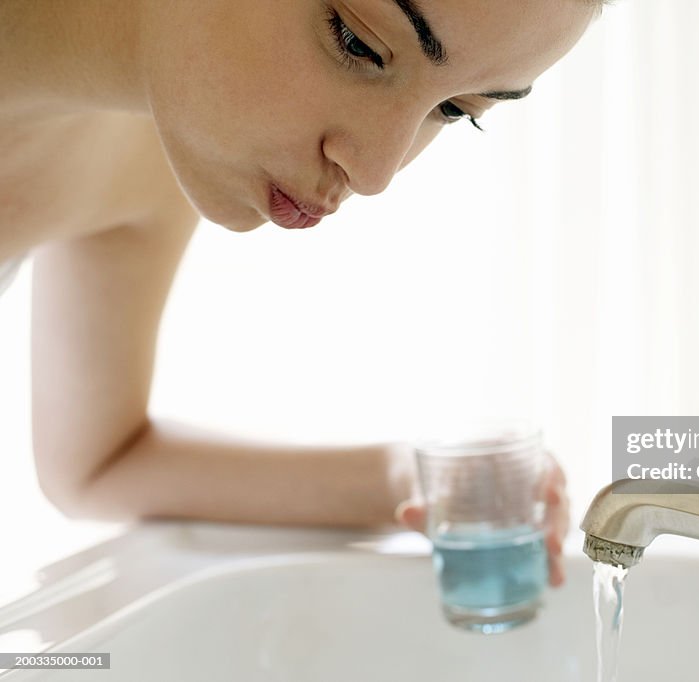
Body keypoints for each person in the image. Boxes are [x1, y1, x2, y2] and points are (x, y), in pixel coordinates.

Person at [0, 0, 604, 587]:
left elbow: (99, 462)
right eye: (359, 42)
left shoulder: (147, 146)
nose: (375, 172)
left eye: (452, 109)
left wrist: (408, 480)